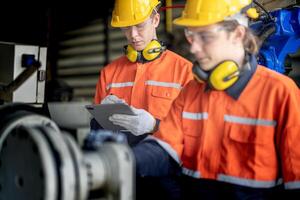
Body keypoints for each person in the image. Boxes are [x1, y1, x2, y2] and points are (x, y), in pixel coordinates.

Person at [132, 0, 300, 199]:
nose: (194, 48)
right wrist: (119, 161)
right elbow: (163, 150)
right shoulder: (191, 92)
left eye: (204, 36)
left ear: (237, 34)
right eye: (191, 35)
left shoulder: (279, 93)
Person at [89, 0, 193, 199]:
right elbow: (96, 129)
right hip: (122, 176)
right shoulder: (108, 74)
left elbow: (193, 134)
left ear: (155, 19)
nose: (133, 35)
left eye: (139, 25)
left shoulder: (184, 72)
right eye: (127, 28)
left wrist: (154, 125)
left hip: (168, 179)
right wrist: (100, 119)